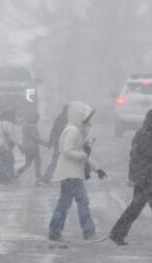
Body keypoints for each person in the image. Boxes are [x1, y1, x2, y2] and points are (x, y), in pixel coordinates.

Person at [109, 109, 152, 246]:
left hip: (146, 178)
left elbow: (147, 157)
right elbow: (141, 159)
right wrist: (146, 175)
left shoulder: (148, 135)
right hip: (148, 179)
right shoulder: (147, 137)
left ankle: (117, 233)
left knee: (137, 207)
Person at [48, 101, 106, 243]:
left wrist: (96, 168)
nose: (88, 121)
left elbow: (80, 152)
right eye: (86, 118)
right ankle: (89, 233)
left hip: (69, 174)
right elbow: (68, 152)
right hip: (71, 174)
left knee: (64, 204)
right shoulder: (73, 131)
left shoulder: (74, 130)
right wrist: (85, 155)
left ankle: (54, 232)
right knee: (83, 202)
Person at [16, 112, 49, 185]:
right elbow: (35, 138)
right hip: (33, 148)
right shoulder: (33, 126)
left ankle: (17, 174)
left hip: (27, 147)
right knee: (38, 163)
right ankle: (38, 179)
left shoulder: (25, 126)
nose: (38, 120)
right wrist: (45, 144)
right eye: (37, 118)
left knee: (28, 164)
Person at [41, 104, 68, 184]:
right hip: (62, 142)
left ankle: (48, 177)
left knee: (57, 160)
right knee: (57, 160)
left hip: (58, 142)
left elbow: (54, 130)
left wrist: (51, 141)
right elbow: (63, 131)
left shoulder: (59, 117)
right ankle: (46, 177)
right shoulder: (64, 118)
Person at [0, 109, 20, 184]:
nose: (15, 117)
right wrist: (19, 145)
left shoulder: (0, 123)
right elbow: (12, 136)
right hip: (3, 146)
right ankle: (6, 177)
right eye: (14, 116)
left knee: (0, 161)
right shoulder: (8, 124)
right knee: (9, 161)